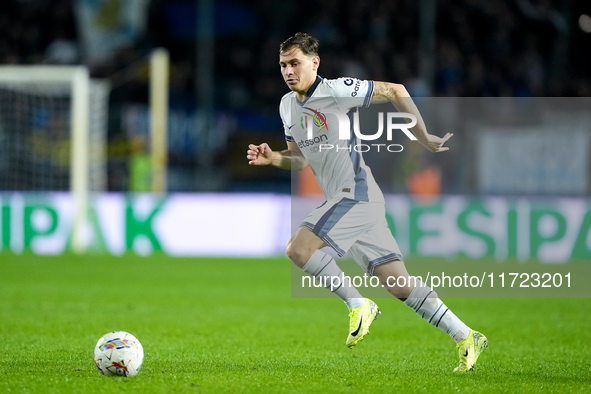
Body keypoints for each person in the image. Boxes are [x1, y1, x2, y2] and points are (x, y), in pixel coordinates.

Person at [246, 32, 487, 372]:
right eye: (283, 65)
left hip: (355, 193)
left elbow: (396, 90)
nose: (288, 71)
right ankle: (466, 335)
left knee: (297, 249)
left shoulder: (335, 91)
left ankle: (359, 304)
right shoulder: (287, 105)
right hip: (353, 201)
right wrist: (274, 159)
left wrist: (422, 135)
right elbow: (299, 159)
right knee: (399, 284)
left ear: (315, 63)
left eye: (295, 63)